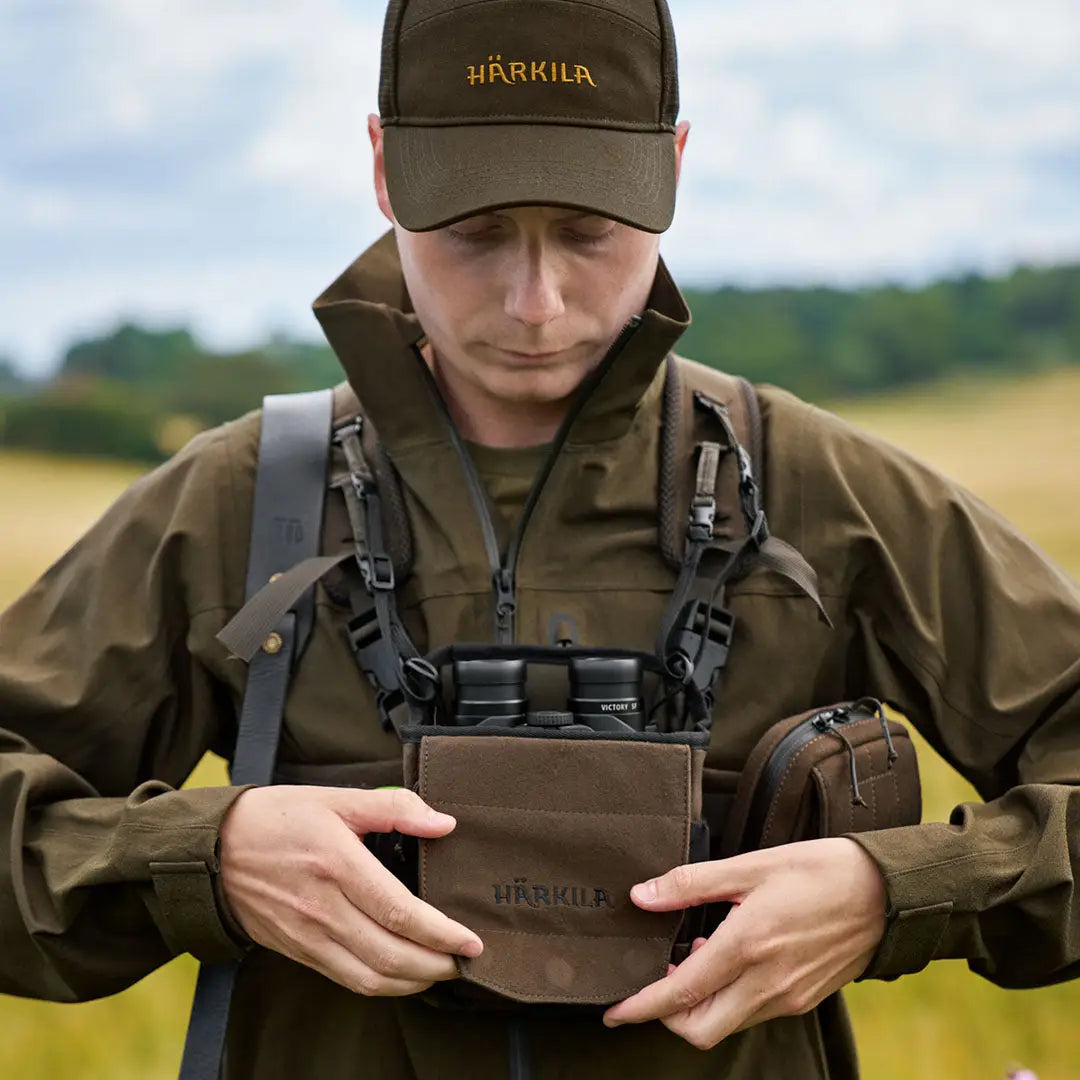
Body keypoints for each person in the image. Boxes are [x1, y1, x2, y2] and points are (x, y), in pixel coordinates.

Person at [1, 1, 1079, 1077]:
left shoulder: (820, 491)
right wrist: (210, 859)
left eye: (588, 231)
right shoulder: (238, 503)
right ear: (383, 169)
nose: (535, 303)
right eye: (473, 231)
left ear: (673, 168)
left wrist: (894, 892)